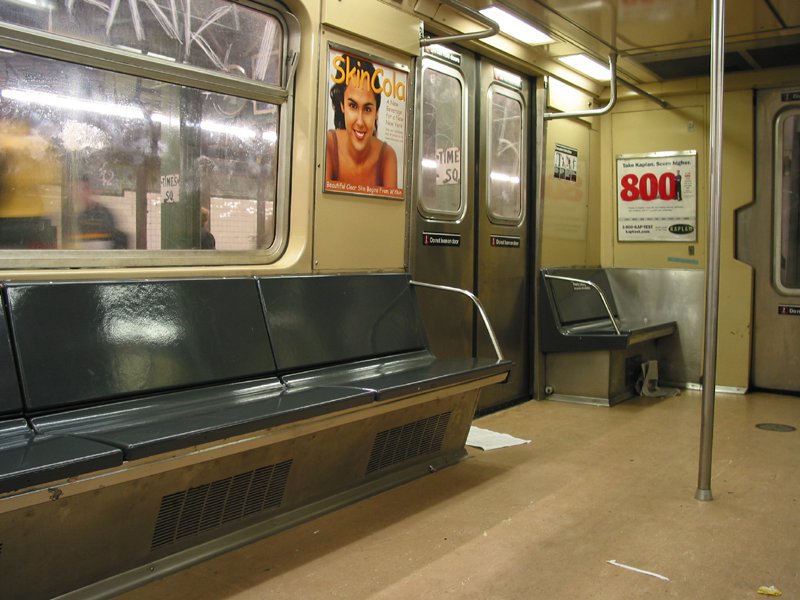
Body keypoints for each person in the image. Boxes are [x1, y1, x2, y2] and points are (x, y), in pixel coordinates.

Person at [326, 54, 397, 189]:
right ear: (342, 105)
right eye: (353, 106)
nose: (360, 122)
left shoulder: (387, 156)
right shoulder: (328, 145)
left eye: (367, 109)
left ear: (376, 112)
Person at [76, 174, 127, 248]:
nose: (82, 193)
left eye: (86, 188)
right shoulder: (80, 218)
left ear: (94, 191)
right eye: (80, 190)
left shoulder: (105, 215)